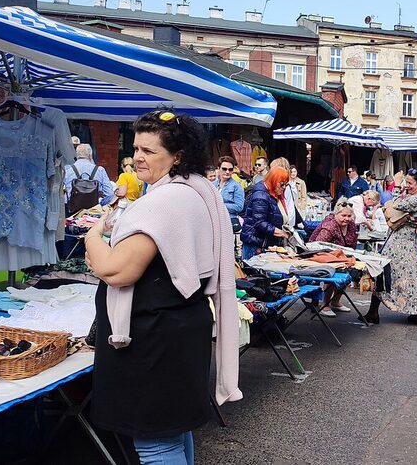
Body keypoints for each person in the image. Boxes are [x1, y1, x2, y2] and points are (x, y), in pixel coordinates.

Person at [84, 110, 241, 463]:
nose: (138, 156)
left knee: (155, 441)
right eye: (136, 147)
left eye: (149, 151)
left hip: (155, 338)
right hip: (178, 329)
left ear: (178, 156)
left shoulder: (166, 200)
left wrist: (93, 236)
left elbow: (115, 269)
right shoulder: (196, 190)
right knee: (172, 431)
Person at [364, 168, 417, 325]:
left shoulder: (416, 200)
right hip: (399, 243)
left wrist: (396, 185)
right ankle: (409, 313)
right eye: (406, 182)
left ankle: (411, 312)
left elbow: (394, 205)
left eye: (410, 183)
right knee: (398, 275)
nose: (407, 186)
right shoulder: (413, 197)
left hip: (402, 245)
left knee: (391, 274)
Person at [308, 200, 359, 316]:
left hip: (342, 256)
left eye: (349, 216)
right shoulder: (329, 226)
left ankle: (335, 301)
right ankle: (325, 304)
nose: (346, 218)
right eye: (343, 215)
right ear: (336, 214)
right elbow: (318, 247)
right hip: (322, 256)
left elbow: (353, 242)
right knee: (333, 272)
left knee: (353, 270)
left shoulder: (351, 225)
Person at [241, 167, 291, 260]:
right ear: (273, 181)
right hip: (255, 244)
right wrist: (282, 233)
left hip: (260, 242)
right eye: (282, 184)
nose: (284, 188)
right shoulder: (261, 195)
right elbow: (259, 223)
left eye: (286, 185)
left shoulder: (269, 193)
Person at [214, 156, 245, 221]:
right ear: (218, 168)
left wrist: (220, 205)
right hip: (214, 219)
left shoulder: (236, 186)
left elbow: (239, 207)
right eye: (224, 169)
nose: (227, 172)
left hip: (229, 219)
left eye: (230, 169)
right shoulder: (213, 184)